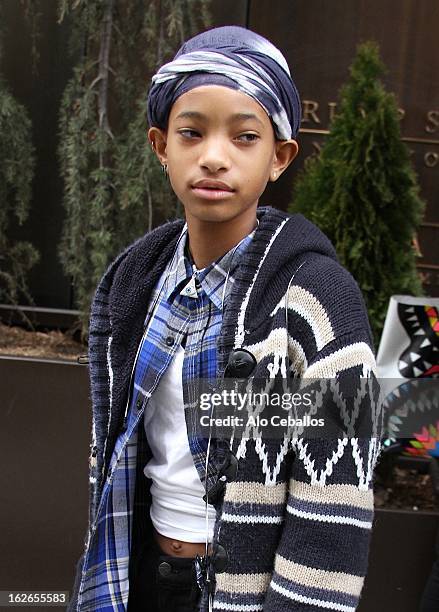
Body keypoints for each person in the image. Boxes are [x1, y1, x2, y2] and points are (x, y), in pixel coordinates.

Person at [68, 25, 381, 612]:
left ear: (279, 157)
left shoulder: (315, 301)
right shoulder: (134, 285)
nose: (214, 156)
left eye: (244, 136)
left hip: (241, 595)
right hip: (138, 573)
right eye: (192, 132)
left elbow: (334, 509)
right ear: (161, 146)